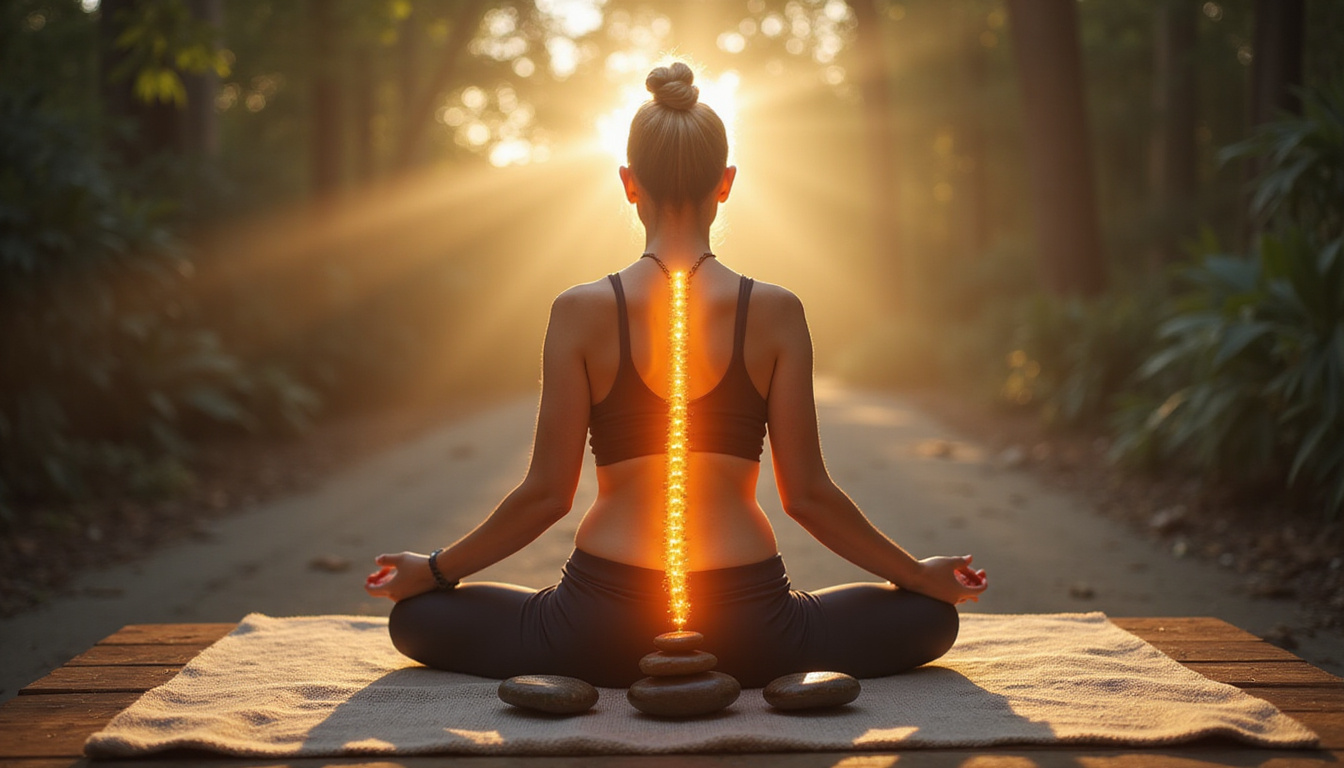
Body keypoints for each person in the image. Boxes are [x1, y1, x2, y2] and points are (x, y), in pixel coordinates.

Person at [365, 62, 988, 688]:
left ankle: (597, 677)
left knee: (418, 619)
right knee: (929, 619)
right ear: (726, 183)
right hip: (751, 626)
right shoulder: (776, 311)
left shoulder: (578, 311)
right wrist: (917, 576)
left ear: (629, 183)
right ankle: (742, 675)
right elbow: (808, 498)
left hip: (596, 623)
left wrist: (436, 570)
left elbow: (547, 496)